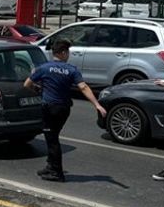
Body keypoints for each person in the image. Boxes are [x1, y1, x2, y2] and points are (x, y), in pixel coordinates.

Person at [23, 39, 107, 182]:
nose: (68, 55)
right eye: (68, 52)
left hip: (49, 108)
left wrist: (38, 89)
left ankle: (56, 172)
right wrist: (97, 105)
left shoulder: (44, 68)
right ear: (62, 53)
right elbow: (83, 87)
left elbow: (26, 84)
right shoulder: (71, 70)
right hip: (64, 109)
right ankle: (50, 166)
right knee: (53, 136)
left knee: (52, 139)